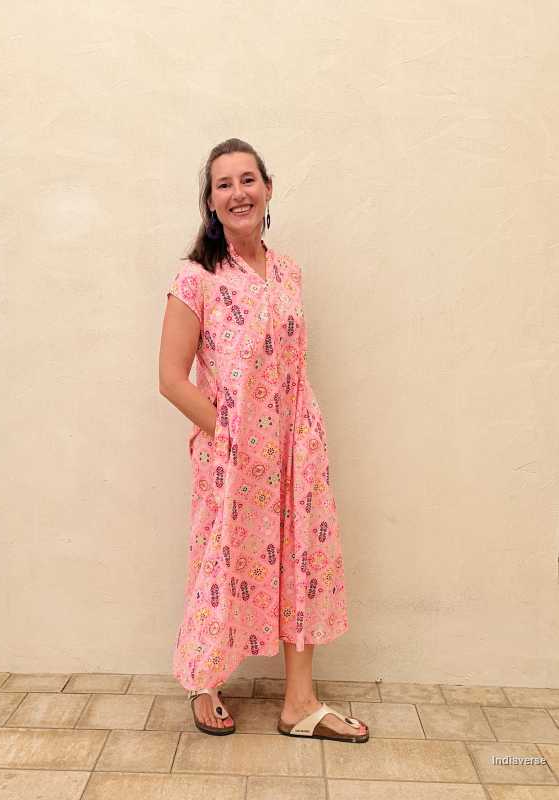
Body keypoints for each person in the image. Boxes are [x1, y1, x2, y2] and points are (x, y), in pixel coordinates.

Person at [158, 138, 369, 743]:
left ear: (268, 189)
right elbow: (171, 378)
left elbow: (289, 367)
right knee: (222, 560)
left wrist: (295, 433)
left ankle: (299, 703)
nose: (238, 192)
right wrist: (230, 434)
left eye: (247, 180)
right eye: (224, 184)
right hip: (230, 454)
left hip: (295, 447)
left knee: (300, 559)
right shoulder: (194, 276)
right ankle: (205, 679)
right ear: (211, 201)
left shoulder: (290, 273)